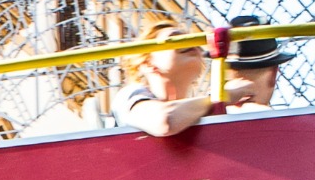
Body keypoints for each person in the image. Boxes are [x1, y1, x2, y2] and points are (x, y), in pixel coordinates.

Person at [124, 14, 291, 137]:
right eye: (176, 39)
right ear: (147, 62)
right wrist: (222, 97)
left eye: (192, 39)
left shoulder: (199, 111)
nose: (190, 42)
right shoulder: (130, 96)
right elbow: (165, 121)